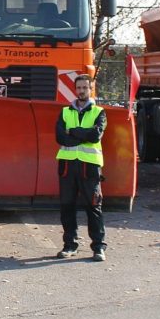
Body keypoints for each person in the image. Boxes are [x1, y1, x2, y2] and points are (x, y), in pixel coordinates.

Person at [54, 74, 107, 261]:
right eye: (79, 88)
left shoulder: (99, 112)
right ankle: (69, 246)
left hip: (89, 166)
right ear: (75, 89)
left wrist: (73, 131)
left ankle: (98, 248)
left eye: (85, 88)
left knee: (93, 206)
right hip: (67, 165)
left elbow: (95, 136)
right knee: (67, 207)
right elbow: (60, 137)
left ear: (91, 89)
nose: (81, 91)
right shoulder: (65, 112)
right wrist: (82, 133)